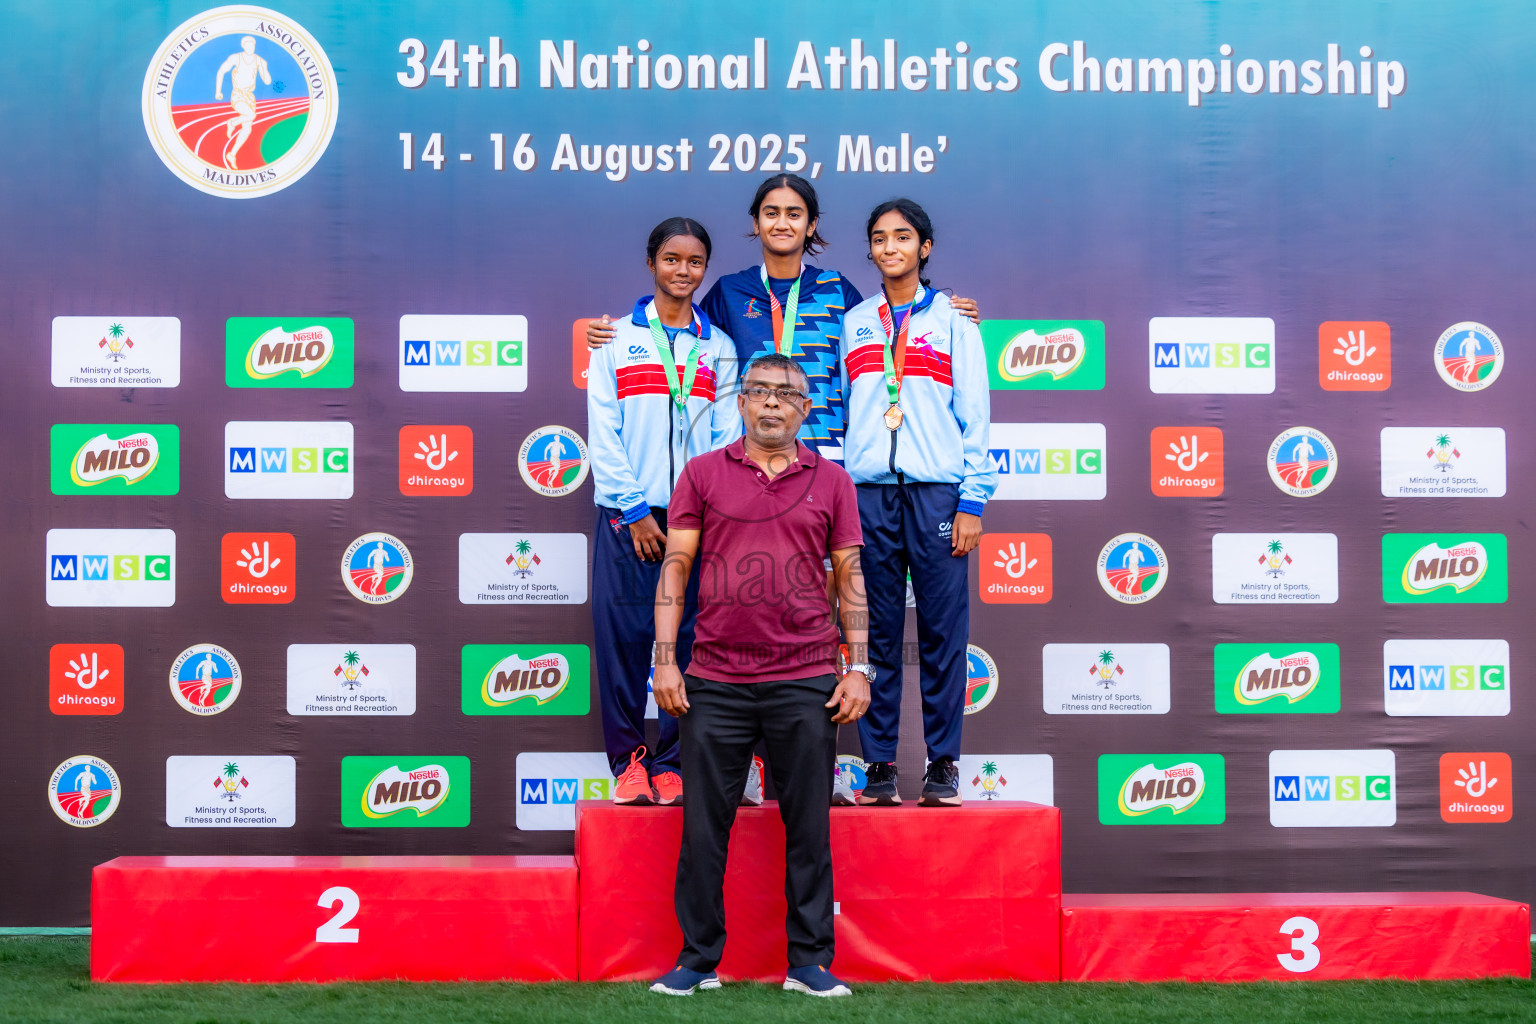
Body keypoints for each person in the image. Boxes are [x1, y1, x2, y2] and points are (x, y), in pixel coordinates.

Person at [649, 354, 871, 998]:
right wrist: (665, 660)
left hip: (806, 676)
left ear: (808, 408)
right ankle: (697, 960)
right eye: (760, 392)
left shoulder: (833, 480)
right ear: (740, 402)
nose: (772, 404)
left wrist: (857, 666)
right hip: (715, 677)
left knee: (808, 825)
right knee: (703, 829)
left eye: (787, 395)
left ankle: (809, 961)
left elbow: (850, 577)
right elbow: (675, 567)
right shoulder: (700, 473)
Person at [839, 198, 996, 807]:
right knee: (871, 634)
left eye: (902, 237)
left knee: (941, 633)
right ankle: (878, 766)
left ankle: (943, 764)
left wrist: (973, 500)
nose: (889, 248)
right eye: (878, 239)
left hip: (937, 494)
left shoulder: (957, 322)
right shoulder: (856, 322)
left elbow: (975, 417)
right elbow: (846, 412)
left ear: (924, 248)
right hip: (868, 494)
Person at [587, 217, 741, 807]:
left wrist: (701, 513)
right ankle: (628, 760)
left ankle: (674, 761)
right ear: (651, 263)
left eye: (695, 261)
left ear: (705, 269)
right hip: (631, 515)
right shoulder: (615, 341)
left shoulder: (718, 347)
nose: (684, 271)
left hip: (695, 518)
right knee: (625, 639)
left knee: (691, 643)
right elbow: (604, 436)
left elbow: (728, 438)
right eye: (672, 259)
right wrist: (634, 509)